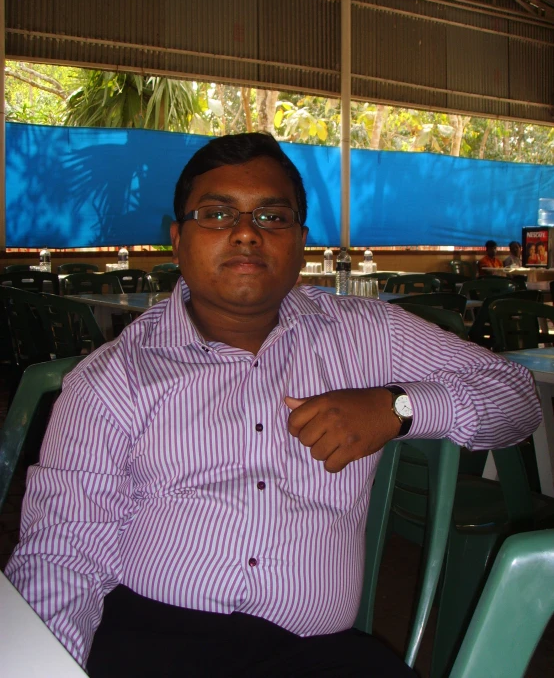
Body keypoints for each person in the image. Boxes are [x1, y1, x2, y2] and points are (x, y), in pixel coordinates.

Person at [6, 133, 541, 677]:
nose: (244, 233)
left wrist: (397, 408)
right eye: (216, 214)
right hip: (153, 639)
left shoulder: (366, 335)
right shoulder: (110, 379)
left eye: (272, 217)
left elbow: (518, 396)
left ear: (301, 241)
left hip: (317, 654)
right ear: (177, 238)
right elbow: (62, 556)